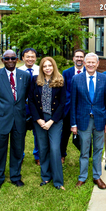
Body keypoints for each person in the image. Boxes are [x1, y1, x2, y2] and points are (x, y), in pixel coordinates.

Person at [0, 50, 31, 192]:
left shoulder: (25, 76)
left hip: (19, 119)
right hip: (1, 119)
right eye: (7, 58)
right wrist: (1, 110)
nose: (10, 60)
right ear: (2, 60)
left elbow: (26, 97)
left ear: (17, 60)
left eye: (13, 58)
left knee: (18, 149)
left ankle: (15, 176)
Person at [70, 52, 106, 190]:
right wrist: (73, 124)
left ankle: (97, 176)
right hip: (83, 121)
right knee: (84, 150)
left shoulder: (105, 79)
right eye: (88, 62)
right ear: (84, 63)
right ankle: (82, 177)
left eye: (93, 62)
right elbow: (73, 103)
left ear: (98, 63)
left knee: (98, 150)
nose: (91, 64)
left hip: (100, 120)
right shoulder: (76, 79)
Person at [28, 57, 67, 190]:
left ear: (54, 67)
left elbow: (62, 103)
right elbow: (31, 100)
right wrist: (39, 120)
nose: (48, 68)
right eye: (45, 66)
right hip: (39, 118)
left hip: (54, 120)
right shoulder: (35, 80)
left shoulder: (60, 80)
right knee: (43, 148)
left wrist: (51, 121)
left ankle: (58, 181)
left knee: (55, 149)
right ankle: (45, 176)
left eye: (50, 65)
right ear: (41, 68)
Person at [61, 49, 86, 164]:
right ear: (73, 59)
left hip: (84, 110)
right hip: (69, 109)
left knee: (84, 134)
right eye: (77, 56)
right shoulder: (66, 73)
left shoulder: (89, 71)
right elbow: (63, 90)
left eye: (81, 57)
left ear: (84, 59)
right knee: (65, 134)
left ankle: (85, 155)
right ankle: (62, 154)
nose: (79, 59)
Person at [18, 48, 41, 166]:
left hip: (37, 107)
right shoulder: (18, 71)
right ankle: (19, 155)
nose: (30, 59)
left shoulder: (40, 70)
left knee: (38, 132)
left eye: (32, 56)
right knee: (20, 132)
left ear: (35, 58)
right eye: (27, 56)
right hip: (23, 106)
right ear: (23, 58)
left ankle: (37, 155)